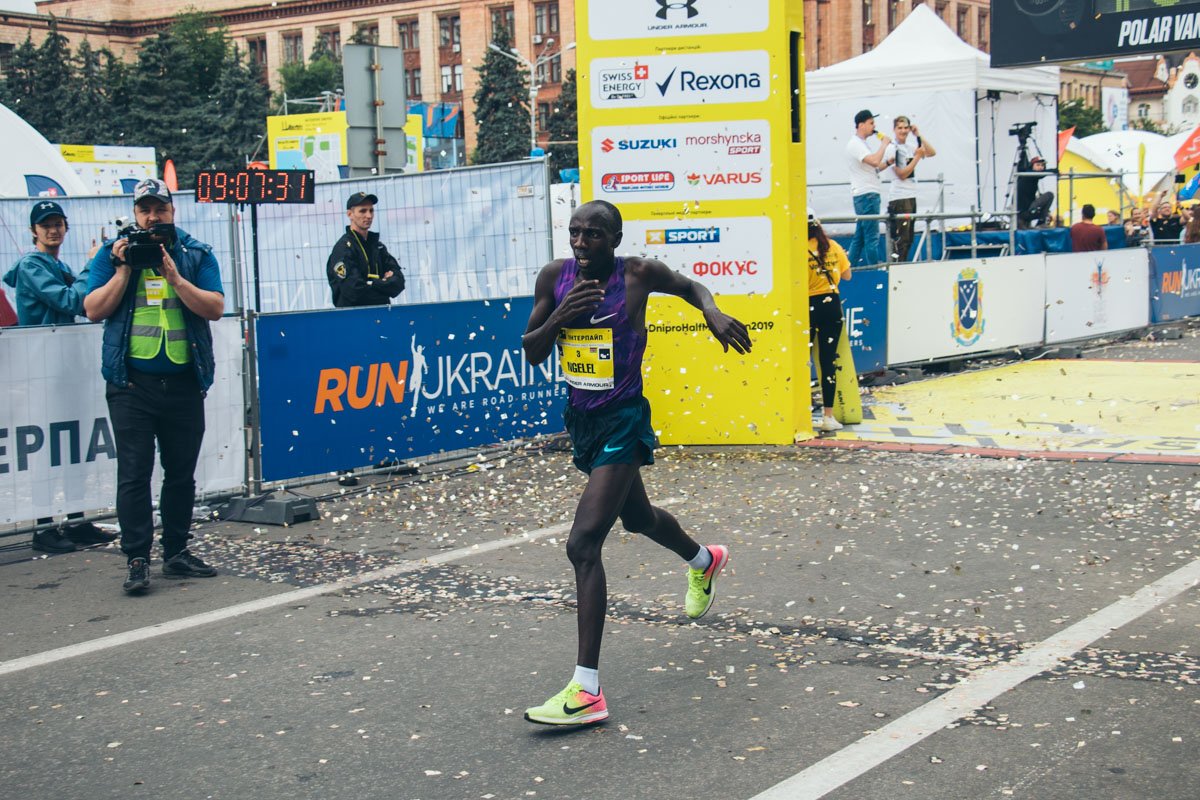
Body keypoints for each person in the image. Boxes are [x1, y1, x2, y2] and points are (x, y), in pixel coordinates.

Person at [520, 200, 752, 726]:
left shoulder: (638, 275)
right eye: (575, 233)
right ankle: (704, 561)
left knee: (582, 544)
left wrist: (711, 311)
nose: (581, 243)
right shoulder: (555, 278)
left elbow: (691, 286)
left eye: (594, 235)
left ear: (615, 239)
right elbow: (532, 349)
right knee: (639, 519)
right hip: (583, 421)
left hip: (624, 420)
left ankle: (587, 691)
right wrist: (563, 315)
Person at [84, 178, 225, 594]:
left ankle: (177, 552)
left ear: (172, 211)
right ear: (134, 213)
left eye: (159, 209)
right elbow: (93, 309)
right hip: (132, 383)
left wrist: (176, 278)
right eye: (144, 210)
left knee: (180, 474)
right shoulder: (117, 254)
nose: (152, 217)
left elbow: (215, 307)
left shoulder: (195, 252)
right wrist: (124, 269)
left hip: (183, 381)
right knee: (134, 472)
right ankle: (137, 558)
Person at [3, 200, 116, 553]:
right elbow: (71, 301)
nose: (53, 230)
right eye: (46, 224)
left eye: (57, 223)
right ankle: (44, 527)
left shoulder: (55, 263)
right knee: (49, 450)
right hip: (42, 372)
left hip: (64, 370)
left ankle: (77, 520)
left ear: (65, 228)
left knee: (72, 445)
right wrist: (93, 263)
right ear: (33, 231)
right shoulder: (32, 266)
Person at [807, 216, 852, 432]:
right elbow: (848, 275)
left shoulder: (796, 249)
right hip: (831, 305)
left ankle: (801, 413)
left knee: (801, 362)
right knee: (827, 361)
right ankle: (828, 416)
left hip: (806, 307)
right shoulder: (833, 246)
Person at [326, 191, 405, 308]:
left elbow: (399, 283)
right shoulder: (343, 249)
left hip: (381, 315)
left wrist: (369, 284)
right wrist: (383, 284)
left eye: (371, 211)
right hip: (353, 318)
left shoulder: (378, 246)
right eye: (362, 211)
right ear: (350, 214)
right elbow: (353, 291)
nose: (368, 216)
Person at [884, 116, 935, 262]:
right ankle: (897, 267)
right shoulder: (893, 148)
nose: (903, 131)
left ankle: (903, 264)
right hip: (899, 197)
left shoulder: (910, 147)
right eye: (899, 128)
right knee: (902, 238)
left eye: (906, 127)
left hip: (910, 195)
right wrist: (917, 158)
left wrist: (918, 135)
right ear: (894, 130)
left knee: (909, 237)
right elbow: (901, 174)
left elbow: (931, 152)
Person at [845, 109, 891, 267]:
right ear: (861, 125)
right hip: (867, 195)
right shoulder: (855, 144)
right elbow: (874, 161)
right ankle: (874, 270)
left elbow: (874, 168)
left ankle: (849, 269)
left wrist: (889, 162)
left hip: (866, 193)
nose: (874, 126)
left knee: (861, 236)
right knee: (872, 236)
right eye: (871, 123)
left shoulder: (861, 144)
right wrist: (884, 144)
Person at [1016, 156, 1055, 228]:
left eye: (1042, 165)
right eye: (1038, 165)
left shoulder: (1026, 175)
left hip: (1023, 210)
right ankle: (1041, 220)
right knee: (1050, 195)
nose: (1041, 167)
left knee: (1041, 197)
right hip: (1025, 211)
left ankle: (1041, 218)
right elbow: (1040, 175)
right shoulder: (1029, 175)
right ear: (1032, 166)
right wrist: (1054, 170)